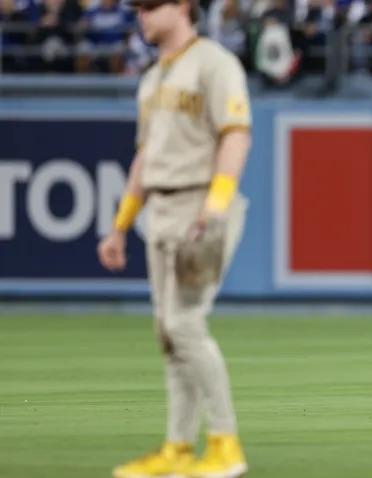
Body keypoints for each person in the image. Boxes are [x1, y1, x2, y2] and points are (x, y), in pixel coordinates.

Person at [96, 0, 252, 477]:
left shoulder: (214, 62)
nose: (141, 15)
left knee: (184, 324)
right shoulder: (151, 77)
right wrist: (121, 224)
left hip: (198, 204)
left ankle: (226, 445)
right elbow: (145, 156)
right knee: (168, 334)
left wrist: (216, 206)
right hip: (161, 209)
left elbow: (236, 134)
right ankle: (178, 449)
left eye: (150, 6)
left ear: (183, 7)